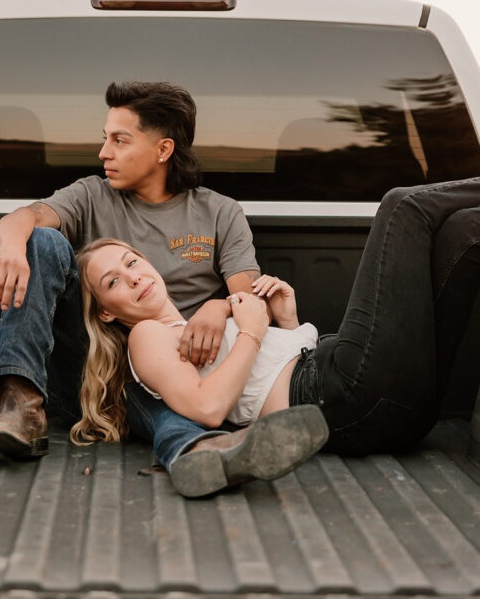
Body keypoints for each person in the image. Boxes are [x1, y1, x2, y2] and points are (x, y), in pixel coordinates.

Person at [0, 80, 326, 496]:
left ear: (163, 150)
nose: (104, 152)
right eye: (105, 139)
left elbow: (247, 297)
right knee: (42, 240)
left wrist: (218, 307)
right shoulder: (90, 195)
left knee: (149, 377)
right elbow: (23, 217)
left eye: (119, 141)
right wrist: (14, 247)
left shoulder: (218, 212)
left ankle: (200, 450)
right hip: (90, 369)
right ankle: (21, 405)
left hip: (176, 375)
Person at [75, 176, 480, 489]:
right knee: (402, 206)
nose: (132, 278)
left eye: (131, 262)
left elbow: (268, 376)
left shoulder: (186, 324)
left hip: (390, 408)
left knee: (466, 231)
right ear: (106, 314)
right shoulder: (146, 336)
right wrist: (251, 330)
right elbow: (210, 408)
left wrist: (287, 321)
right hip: (338, 395)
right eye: (112, 282)